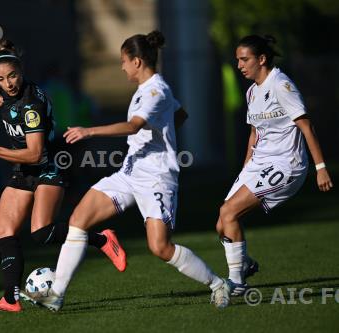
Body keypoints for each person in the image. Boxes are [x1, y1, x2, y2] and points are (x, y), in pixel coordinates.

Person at [23, 31, 232, 311]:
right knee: (79, 218)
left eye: (123, 61)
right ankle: (57, 295)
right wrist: (163, 134)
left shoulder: (157, 90)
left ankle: (219, 284)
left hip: (157, 178)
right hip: (130, 172)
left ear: (137, 61)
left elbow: (134, 126)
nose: (121, 67)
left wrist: (90, 131)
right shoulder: (146, 91)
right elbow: (180, 115)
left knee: (160, 247)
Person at [0, 39, 127, 313]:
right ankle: (10, 299)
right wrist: (3, 102)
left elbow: (34, 154)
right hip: (23, 171)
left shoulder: (31, 103)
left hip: (46, 167)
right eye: (1, 79)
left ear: (22, 71)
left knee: (41, 232)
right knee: (3, 230)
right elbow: (14, 107)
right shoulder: (15, 95)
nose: (8, 83)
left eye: (12, 76)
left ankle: (101, 238)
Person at [215, 35, 334, 296]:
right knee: (222, 223)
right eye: (237, 60)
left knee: (230, 213)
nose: (239, 65)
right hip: (259, 163)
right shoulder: (252, 91)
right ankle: (245, 263)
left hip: (286, 163)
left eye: (244, 59)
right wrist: (247, 167)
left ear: (262, 59)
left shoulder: (281, 84)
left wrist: (321, 167)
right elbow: (254, 133)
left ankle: (237, 282)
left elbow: (306, 125)